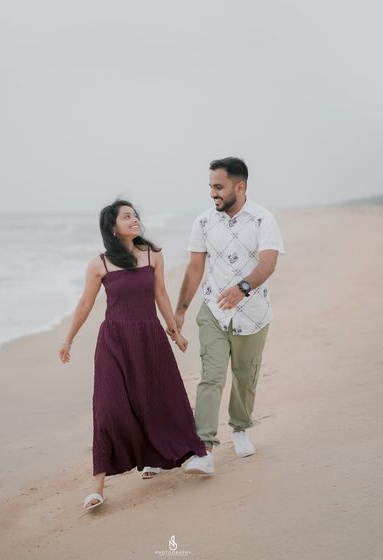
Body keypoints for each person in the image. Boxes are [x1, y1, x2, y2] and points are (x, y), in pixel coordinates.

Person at [59, 199, 206, 510]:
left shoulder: (153, 255)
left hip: (149, 337)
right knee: (108, 407)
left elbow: (161, 294)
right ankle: (98, 487)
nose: (135, 219)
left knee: (159, 399)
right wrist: (68, 339)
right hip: (114, 340)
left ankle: (184, 454)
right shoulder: (99, 263)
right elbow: (85, 304)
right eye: (127, 216)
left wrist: (175, 331)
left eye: (136, 215)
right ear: (113, 227)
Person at [172, 157, 284, 474]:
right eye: (210, 187)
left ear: (240, 185)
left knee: (245, 377)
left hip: (253, 313)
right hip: (214, 311)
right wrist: (180, 310)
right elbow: (195, 268)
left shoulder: (263, 219)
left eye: (218, 187)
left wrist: (243, 288)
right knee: (212, 376)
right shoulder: (204, 222)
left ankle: (239, 428)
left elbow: (268, 263)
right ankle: (203, 448)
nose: (213, 194)